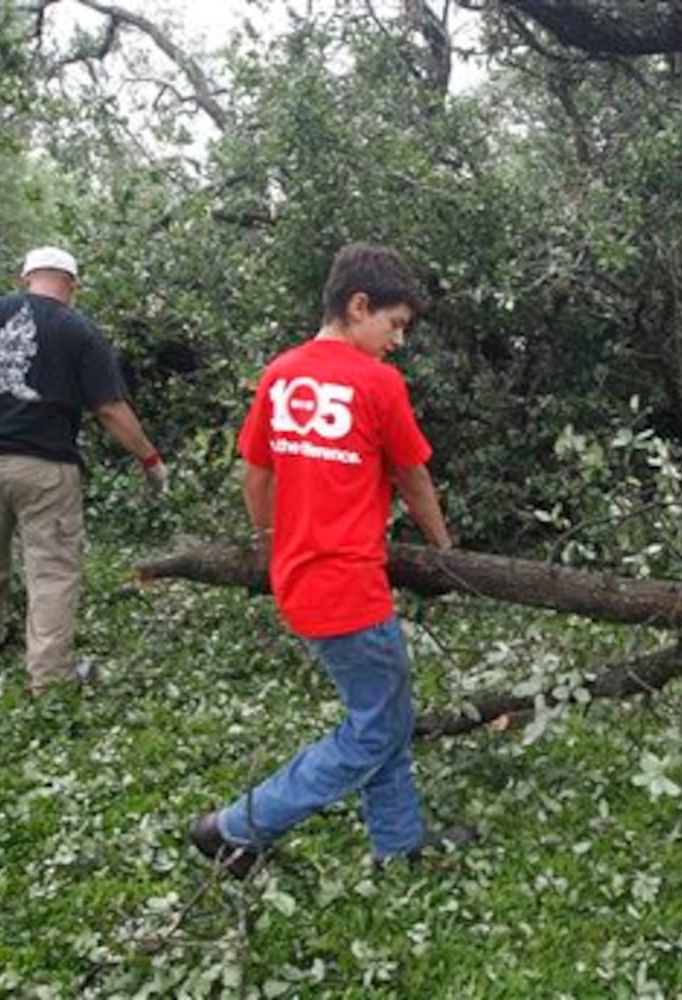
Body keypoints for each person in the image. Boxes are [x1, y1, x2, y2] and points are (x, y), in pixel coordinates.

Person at [189, 242, 466, 877]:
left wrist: (271, 540)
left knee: (383, 718)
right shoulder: (377, 382)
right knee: (373, 729)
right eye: (394, 325)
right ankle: (234, 827)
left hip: (300, 580)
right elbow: (413, 476)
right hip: (350, 588)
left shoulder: (280, 373)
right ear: (358, 305)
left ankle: (397, 851)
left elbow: (256, 475)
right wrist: (444, 551)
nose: (397, 342)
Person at [0, 246, 167, 695]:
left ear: (24, 277)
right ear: (73, 286)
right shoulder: (82, 332)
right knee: (52, 570)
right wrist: (150, 459)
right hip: (45, 469)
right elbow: (109, 409)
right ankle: (50, 680)